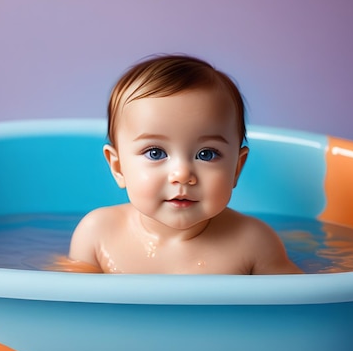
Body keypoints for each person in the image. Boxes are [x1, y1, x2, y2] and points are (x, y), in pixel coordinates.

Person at [53, 54, 302, 275]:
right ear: (118, 168)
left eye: (206, 154)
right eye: (155, 152)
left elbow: (300, 306)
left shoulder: (254, 243)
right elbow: (70, 306)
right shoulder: (98, 233)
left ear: (237, 168)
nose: (182, 175)